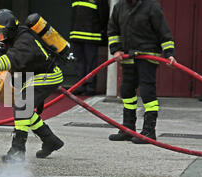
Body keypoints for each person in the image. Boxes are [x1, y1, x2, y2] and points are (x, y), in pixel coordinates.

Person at [0, 10, 65, 163]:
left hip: (48, 75)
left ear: (10, 30)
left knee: (22, 106)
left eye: (1, 34)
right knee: (23, 108)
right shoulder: (12, 38)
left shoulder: (24, 41)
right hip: (33, 76)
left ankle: (18, 149)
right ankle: (50, 140)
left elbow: (11, 60)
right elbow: (2, 58)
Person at [108, 0, 177, 144]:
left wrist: (169, 53)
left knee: (147, 91)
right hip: (128, 56)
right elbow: (113, 30)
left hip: (148, 55)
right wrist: (116, 50)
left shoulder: (152, 6)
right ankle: (128, 129)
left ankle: (149, 131)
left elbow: (164, 32)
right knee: (126, 91)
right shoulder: (119, 6)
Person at [70, 0, 109, 96]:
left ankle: (90, 87)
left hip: (92, 36)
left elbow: (104, 17)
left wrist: (100, 31)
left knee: (91, 63)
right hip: (76, 35)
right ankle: (80, 86)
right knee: (79, 63)